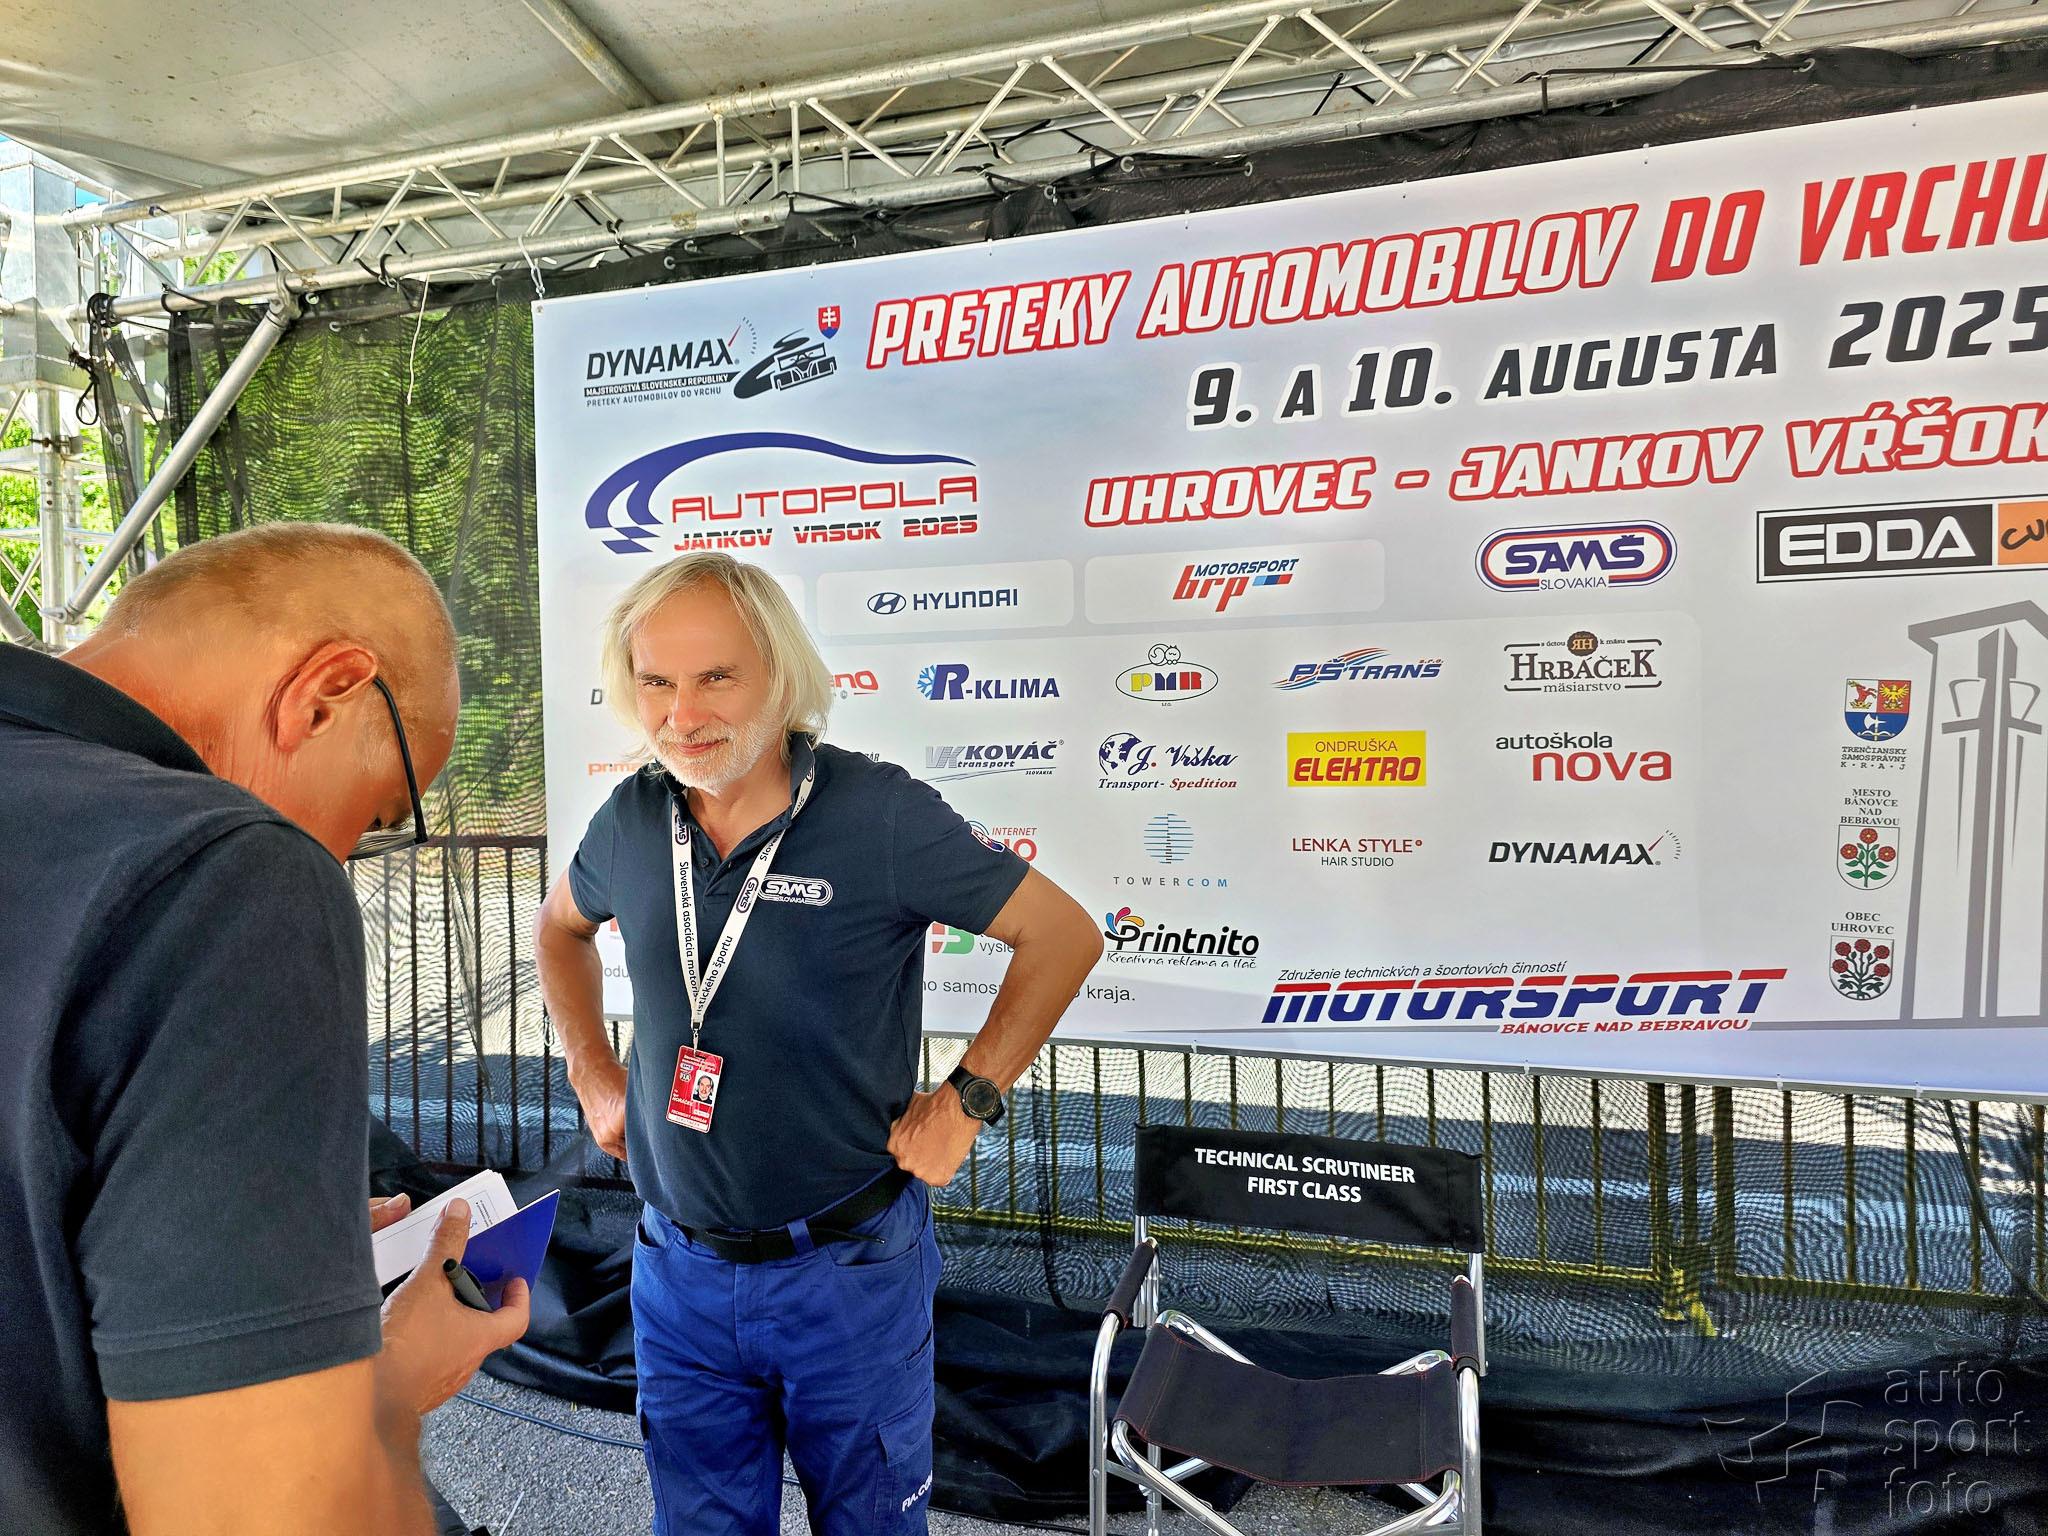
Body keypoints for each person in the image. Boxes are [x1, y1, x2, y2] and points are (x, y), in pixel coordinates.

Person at [534, 553, 1102, 1534]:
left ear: (779, 675)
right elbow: (559, 931)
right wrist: (592, 1070)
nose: (681, 714)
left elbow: (1062, 935)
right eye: (656, 682)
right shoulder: (631, 817)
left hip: (844, 1272)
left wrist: (966, 1100)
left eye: (716, 677)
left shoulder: (877, 813)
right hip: (676, 1269)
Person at [0, 523, 530, 1536]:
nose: (340, 858)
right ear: (324, 694)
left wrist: (265, 1261)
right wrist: (390, 1386)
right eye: (379, 814)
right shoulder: (226, 872)